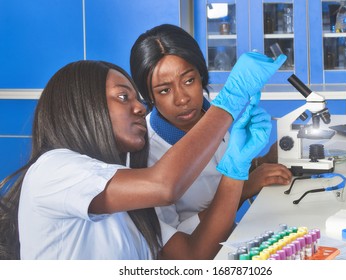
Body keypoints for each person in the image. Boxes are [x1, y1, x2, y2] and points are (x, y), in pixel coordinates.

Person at [0, 53, 285, 259]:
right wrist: (231, 101)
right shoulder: (54, 169)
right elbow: (164, 186)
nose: (139, 108)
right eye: (124, 97)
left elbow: (194, 257)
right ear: (83, 107)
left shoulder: (125, 184)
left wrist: (236, 170)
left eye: (138, 99)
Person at [130, 24, 292, 234]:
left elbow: (220, 171)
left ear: (201, 77)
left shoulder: (211, 115)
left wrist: (262, 160)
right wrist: (244, 188)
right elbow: (178, 244)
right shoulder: (147, 154)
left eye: (189, 80)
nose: (182, 98)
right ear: (149, 96)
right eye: (164, 90)